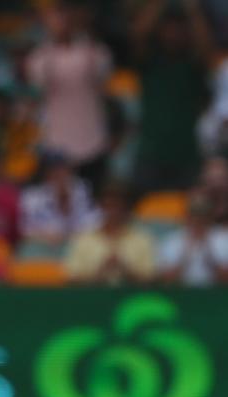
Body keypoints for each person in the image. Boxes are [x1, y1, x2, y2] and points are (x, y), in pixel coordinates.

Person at [25, 1, 112, 188]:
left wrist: (85, 33)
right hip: (57, 143)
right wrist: (52, 39)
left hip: (92, 141)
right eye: (56, 17)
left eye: (65, 16)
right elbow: (37, 81)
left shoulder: (94, 51)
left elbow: (102, 72)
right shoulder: (39, 57)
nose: (62, 22)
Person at [131, 0, 213, 192]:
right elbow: (138, 35)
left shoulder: (192, 65)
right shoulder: (149, 62)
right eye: (168, 27)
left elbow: (207, 50)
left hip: (187, 155)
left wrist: (192, 9)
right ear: (159, 31)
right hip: (150, 154)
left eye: (178, 27)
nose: (173, 33)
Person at [65, 182, 155, 285]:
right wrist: (98, 273)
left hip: (132, 299)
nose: (113, 211)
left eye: (118, 206)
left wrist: (126, 271)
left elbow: (152, 279)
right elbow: (71, 280)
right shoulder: (83, 239)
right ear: (101, 207)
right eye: (108, 206)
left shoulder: (142, 239)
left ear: (127, 208)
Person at [20, 151, 100, 249]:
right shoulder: (31, 196)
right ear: (45, 174)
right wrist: (43, 235)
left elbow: (97, 222)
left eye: (63, 170)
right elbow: (22, 229)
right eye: (53, 171)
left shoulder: (83, 189)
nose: (59, 174)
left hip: (77, 245)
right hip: (43, 246)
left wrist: (67, 202)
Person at [157, 190, 228, 286]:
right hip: (181, 295)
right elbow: (166, 280)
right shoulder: (173, 240)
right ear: (187, 216)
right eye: (194, 214)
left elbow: (225, 278)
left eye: (203, 214)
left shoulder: (224, 238)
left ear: (210, 216)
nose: (198, 219)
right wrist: (185, 256)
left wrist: (209, 253)